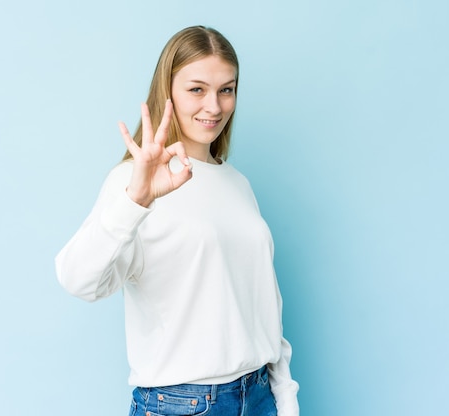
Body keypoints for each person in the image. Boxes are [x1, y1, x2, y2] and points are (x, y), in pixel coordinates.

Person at [55, 25, 300, 415]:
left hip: (257, 396)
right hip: (182, 404)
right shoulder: (133, 183)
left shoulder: (238, 184)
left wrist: (285, 399)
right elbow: (79, 280)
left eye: (227, 89)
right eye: (197, 89)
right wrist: (136, 200)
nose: (214, 106)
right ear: (166, 91)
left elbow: (265, 304)